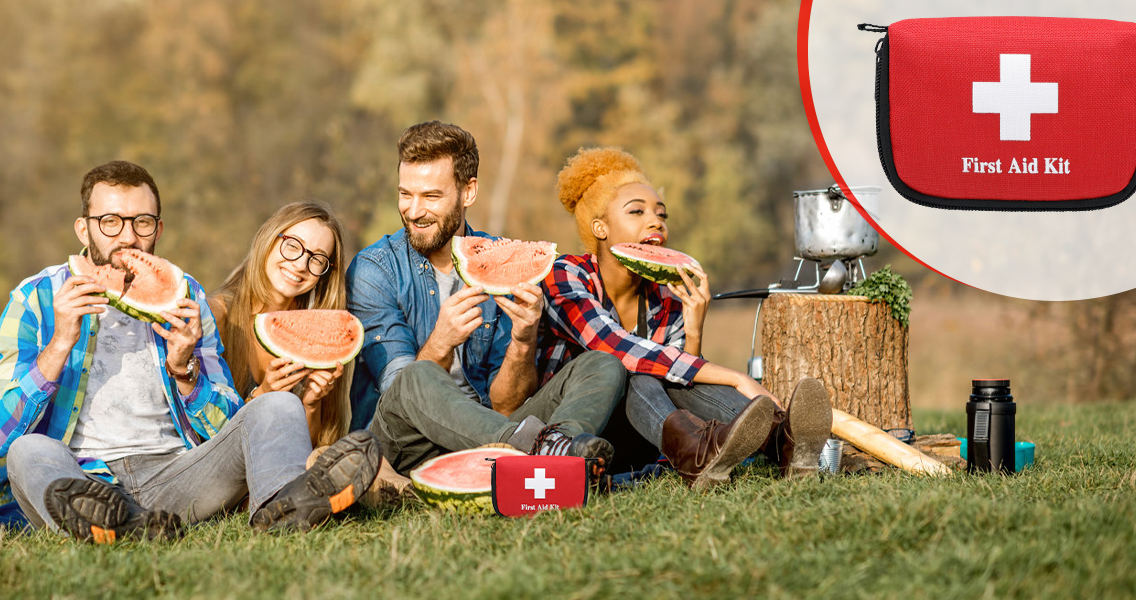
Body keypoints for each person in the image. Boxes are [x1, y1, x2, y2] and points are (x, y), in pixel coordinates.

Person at [0, 161, 380, 542]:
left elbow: (224, 425)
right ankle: (120, 524)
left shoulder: (186, 297)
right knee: (28, 451)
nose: (128, 237)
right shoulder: (35, 298)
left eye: (143, 222)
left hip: (177, 475)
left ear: (159, 228)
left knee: (278, 406)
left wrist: (184, 369)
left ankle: (284, 509)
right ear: (84, 229)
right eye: (110, 222)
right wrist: (60, 343)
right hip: (85, 481)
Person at [540, 147, 832, 489]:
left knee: (654, 376)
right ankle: (746, 446)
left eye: (661, 214)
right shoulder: (566, 274)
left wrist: (694, 326)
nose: (655, 221)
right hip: (572, 435)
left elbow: (678, 376)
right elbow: (612, 347)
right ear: (600, 227)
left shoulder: (665, 295)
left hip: (642, 437)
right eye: (637, 211)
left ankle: (782, 442)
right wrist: (736, 378)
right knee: (634, 372)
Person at [347, 121, 627, 476]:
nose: (414, 211)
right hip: (404, 449)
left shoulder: (501, 258)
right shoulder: (374, 270)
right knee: (417, 375)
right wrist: (440, 342)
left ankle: (557, 457)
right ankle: (542, 454)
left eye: (431, 197)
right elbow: (398, 394)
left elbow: (506, 404)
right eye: (405, 194)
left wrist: (523, 341)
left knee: (602, 365)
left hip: (495, 438)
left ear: (469, 192)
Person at [209, 201, 411, 503]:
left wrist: (312, 404)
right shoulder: (219, 315)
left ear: (324, 274)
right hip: (232, 475)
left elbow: (311, 446)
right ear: (269, 238)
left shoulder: (320, 330)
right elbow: (203, 429)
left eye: (317, 259)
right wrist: (262, 393)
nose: (301, 264)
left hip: (295, 473)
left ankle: (395, 490)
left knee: (343, 448)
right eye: (293, 246)